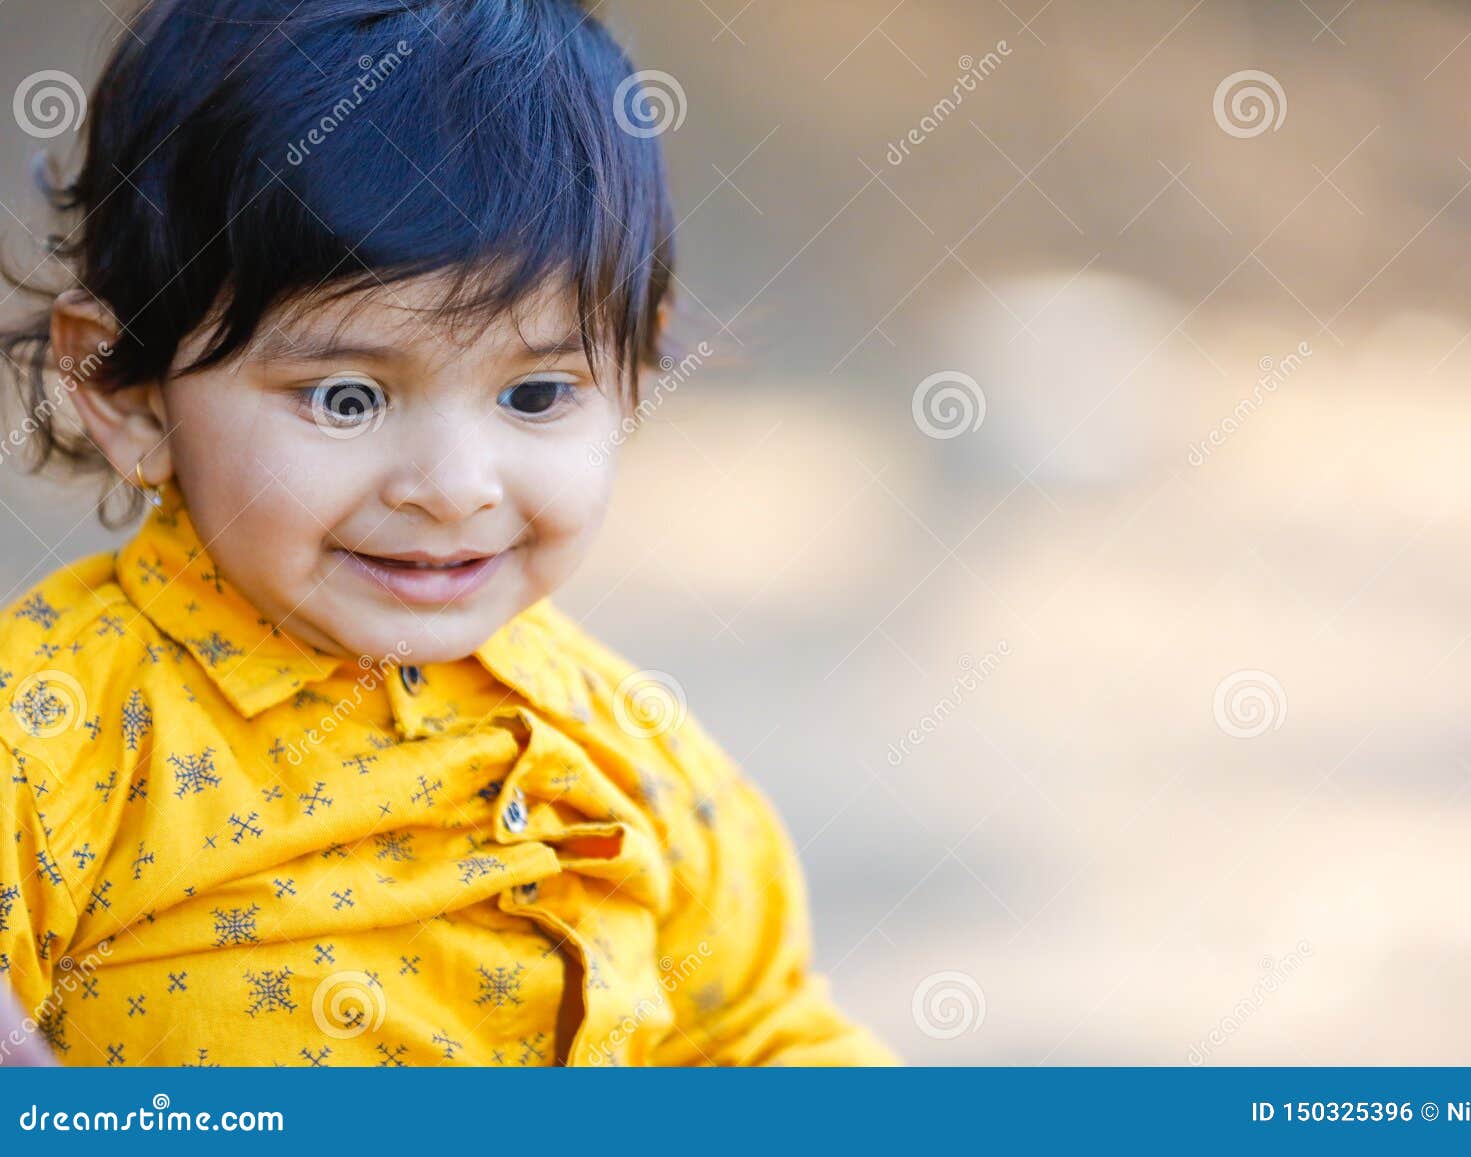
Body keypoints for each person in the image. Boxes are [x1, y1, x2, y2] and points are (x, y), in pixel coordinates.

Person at [0, 0, 895, 1067]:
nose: (453, 487)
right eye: (344, 396)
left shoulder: (629, 744)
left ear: (635, 378)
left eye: (535, 394)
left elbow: (756, 1033)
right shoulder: (57, 734)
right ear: (129, 391)